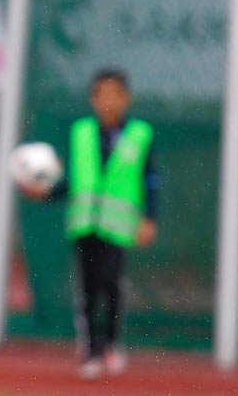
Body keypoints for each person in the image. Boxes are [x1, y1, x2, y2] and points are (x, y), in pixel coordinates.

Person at [22, 68, 157, 380]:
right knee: (87, 289)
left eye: (114, 94)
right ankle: (91, 350)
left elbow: (150, 179)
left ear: (126, 99)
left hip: (118, 226)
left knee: (112, 286)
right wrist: (46, 193)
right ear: (93, 99)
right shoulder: (82, 132)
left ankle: (110, 343)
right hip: (84, 224)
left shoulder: (140, 135)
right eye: (101, 94)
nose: (107, 101)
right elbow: (75, 180)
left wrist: (149, 218)